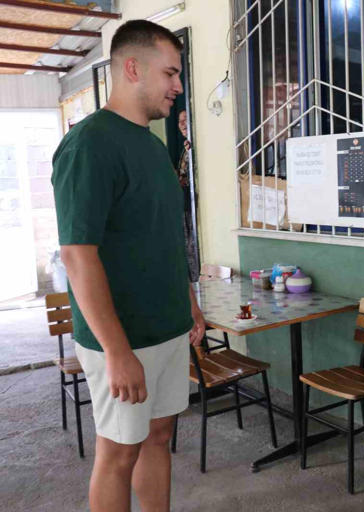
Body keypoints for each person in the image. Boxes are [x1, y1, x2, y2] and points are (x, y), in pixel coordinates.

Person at [51, 20, 206, 512]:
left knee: (159, 436)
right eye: (171, 73)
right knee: (119, 453)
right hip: (122, 337)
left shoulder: (153, 145)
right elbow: (78, 255)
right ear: (133, 68)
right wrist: (116, 351)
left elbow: (165, 238)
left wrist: (188, 303)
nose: (178, 86)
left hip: (167, 328)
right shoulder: (89, 145)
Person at [175, 109, 200, 282]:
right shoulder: (186, 148)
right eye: (180, 121)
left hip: (191, 206)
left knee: (192, 247)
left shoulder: (194, 146)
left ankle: (196, 282)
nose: (182, 124)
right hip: (184, 205)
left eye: (186, 119)